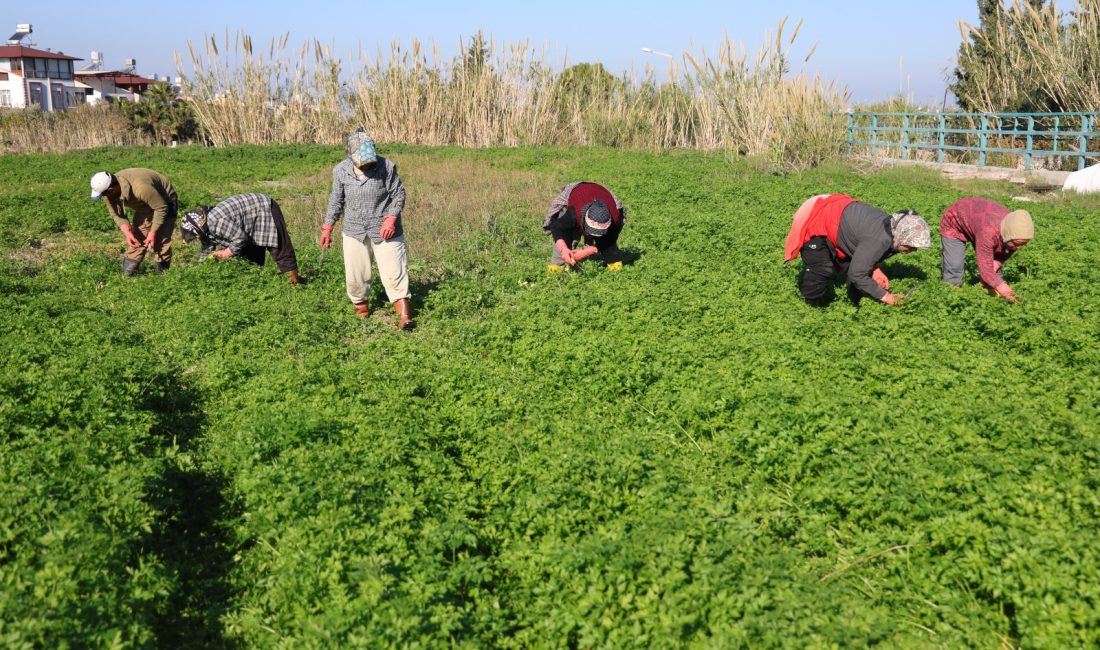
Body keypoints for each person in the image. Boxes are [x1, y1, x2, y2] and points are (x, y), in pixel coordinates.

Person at [321, 129, 414, 330]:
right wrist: (327, 228)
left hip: (385, 228)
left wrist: (390, 220)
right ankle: (362, 313)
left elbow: (398, 194)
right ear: (351, 156)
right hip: (354, 229)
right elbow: (336, 201)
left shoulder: (386, 166)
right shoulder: (341, 171)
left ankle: (404, 316)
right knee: (356, 275)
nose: (368, 163)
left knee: (394, 271)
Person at [784, 194, 931, 306]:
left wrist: (874, 269)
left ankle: (854, 302)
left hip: (838, 215)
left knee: (854, 268)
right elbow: (858, 273)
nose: (913, 250)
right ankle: (809, 308)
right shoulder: (880, 239)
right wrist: (887, 297)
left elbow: (864, 248)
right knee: (821, 268)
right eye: (911, 245)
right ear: (902, 235)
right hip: (818, 215)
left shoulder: (893, 229)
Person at [179, 193, 300, 285]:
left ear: (197, 228)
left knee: (278, 247)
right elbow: (207, 249)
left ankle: (294, 285)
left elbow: (240, 238)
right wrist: (200, 271)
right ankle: (257, 286)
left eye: (195, 235)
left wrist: (227, 252)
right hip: (249, 220)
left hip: (264, 208)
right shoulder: (204, 229)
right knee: (250, 259)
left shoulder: (215, 222)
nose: (197, 238)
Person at [940, 198, 1033, 303]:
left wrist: (997, 263)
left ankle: (990, 296)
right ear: (1007, 236)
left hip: (979, 224)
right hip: (955, 221)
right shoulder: (988, 233)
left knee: (995, 271)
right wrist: (1006, 292)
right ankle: (951, 298)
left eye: (1023, 244)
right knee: (954, 265)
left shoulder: (1014, 230)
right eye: (1016, 244)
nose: (1018, 248)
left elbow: (1002, 255)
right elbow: (986, 269)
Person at [90, 168, 178, 275]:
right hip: (144, 204)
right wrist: (127, 231)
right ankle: (128, 276)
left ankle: (163, 277)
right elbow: (115, 213)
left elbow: (161, 208)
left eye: (104, 194)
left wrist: (153, 232)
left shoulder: (141, 188)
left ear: (111, 189)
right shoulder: (108, 190)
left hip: (165, 201)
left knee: (161, 240)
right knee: (138, 238)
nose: (104, 197)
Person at [543, 181, 626, 272]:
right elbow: (557, 228)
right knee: (565, 239)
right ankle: (556, 271)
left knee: (609, 245)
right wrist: (563, 249)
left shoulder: (616, 218)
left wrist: (588, 251)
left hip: (601, 193)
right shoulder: (573, 214)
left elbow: (611, 238)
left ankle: (616, 270)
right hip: (579, 192)